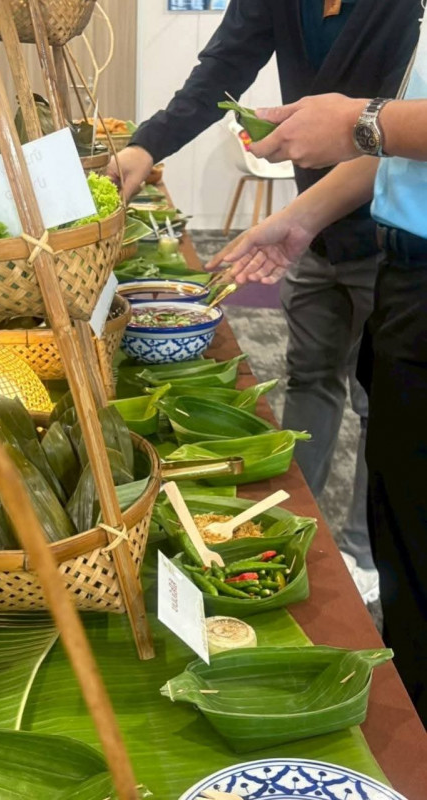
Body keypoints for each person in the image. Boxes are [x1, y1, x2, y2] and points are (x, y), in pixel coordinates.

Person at [109, 0, 421, 598]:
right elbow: (222, 67)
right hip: (315, 224)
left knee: (379, 402)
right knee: (311, 376)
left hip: (392, 239)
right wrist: (147, 145)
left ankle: (363, 554)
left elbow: (388, 134)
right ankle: (298, 525)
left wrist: (356, 128)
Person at [213, 27, 427, 720]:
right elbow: (404, 155)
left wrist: (364, 121)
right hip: (404, 273)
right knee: (403, 537)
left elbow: (387, 131)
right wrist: (303, 215)